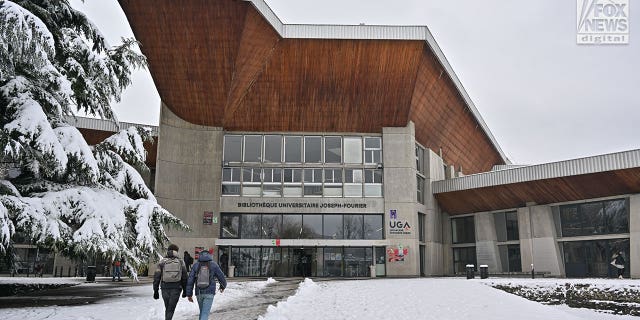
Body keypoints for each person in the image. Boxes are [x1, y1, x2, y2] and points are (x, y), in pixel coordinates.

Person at [186, 250, 227, 320]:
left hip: (199, 292)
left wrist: (189, 294)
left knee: (202, 313)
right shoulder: (214, 265)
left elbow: (190, 280)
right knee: (204, 314)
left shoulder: (196, 265)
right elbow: (221, 277)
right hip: (209, 292)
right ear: (209, 256)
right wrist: (223, 286)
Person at [153, 244, 188, 320]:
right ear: (177, 251)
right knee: (171, 308)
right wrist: (185, 290)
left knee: (168, 307)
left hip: (164, 287)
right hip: (176, 288)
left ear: (168, 251)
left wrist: (156, 290)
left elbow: (157, 276)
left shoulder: (162, 261)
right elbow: (184, 277)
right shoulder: (181, 262)